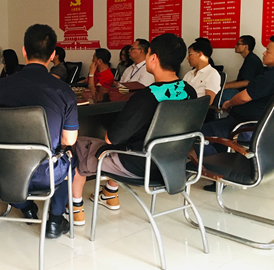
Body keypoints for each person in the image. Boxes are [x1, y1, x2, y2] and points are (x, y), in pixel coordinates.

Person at [70, 33, 197, 226]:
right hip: (173, 164)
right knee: (127, 141)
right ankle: (110, 194)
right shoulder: (190, 92)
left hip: (139, 164)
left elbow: (111, 139)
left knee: (77, 145)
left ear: (153, 58)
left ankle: (75, 209)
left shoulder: (146, 97)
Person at [0, 24, 79, 239]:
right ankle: (55, 220)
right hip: (46, 173)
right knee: (70, 158)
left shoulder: (0, 87)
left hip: (4, 174)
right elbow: (69, 139)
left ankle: (25, 206)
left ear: (24, 51)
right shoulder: (64, 91)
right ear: (53, 54)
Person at [201, 35, 274, 191]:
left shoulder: (272, 76)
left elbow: (243, 97)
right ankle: (224, 166)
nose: (264, 53)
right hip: (264, 126)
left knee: (199, 134)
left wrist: (229, 104)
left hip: (247, 126)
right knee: (216, 130)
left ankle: (219, 174)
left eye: (268, 50)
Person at [221, 35, 264, 102]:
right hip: (244, 91)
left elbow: (246, 82)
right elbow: (240, 80)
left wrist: (225, 86)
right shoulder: (249, 58)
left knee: (220, 94)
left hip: (248, 93)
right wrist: (224, 84)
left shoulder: (252, 60)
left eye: (238, 44)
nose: (235, 46)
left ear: (246, 46)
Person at [182, 40, 221, 105]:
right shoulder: (189, 74)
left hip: (197, 108)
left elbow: (208, 102)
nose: (187, 57)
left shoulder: (212, 74)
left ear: (200, 54)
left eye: (190, 54)